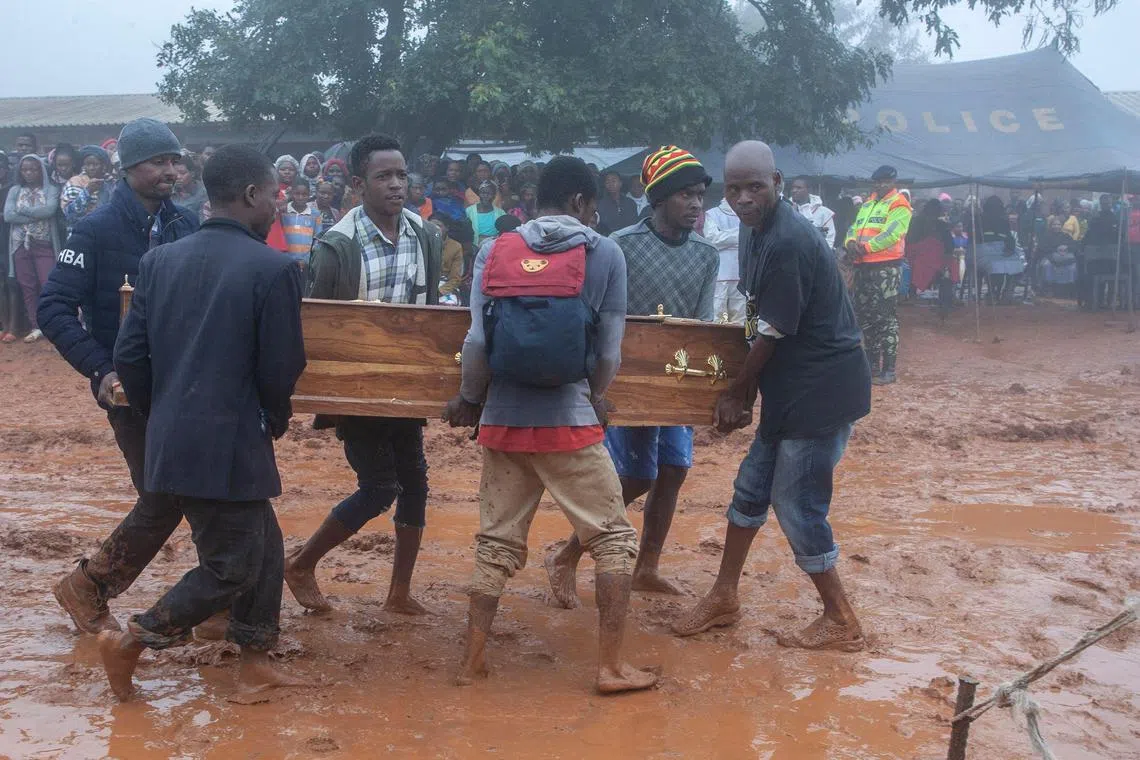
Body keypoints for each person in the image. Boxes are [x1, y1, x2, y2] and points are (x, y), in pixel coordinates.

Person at [100, 144, 308, 703]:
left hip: (173, 434)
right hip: (232, 440)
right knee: (232, 567)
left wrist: (158, 412)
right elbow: (281, 367)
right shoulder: (275, 268)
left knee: (264, 543)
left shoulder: (159, 261)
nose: (276, 203)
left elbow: (131, 356)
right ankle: (133, 641)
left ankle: (256, 658)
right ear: (249, 195)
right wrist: (277, 417)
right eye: (272, 194)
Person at [443, 155, 657, 694]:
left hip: (502, 423)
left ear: (538, 200)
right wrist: (596, 397)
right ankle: (610, 667)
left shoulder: (495, 248)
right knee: (612, 539)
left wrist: (471, 398)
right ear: (585, 204)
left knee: (495, 541)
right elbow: (609, 351)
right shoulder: (603, 251)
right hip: (569, 422)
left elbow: (476, 343)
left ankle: (472, 659)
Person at [672, 141, 871, 653]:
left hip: (821, 390)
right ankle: (724, 595)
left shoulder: (788, 241)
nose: (743, 199)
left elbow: (772, 332)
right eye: (734, 189)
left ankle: (841, 619)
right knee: (750, 488)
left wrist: (738, 392)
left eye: (754, 187)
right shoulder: (752, 227)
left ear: (777, 183)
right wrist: (748, 389)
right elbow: (761, 319)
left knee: (797, 503)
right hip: (790, 385)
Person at [38, 118, 199, 634]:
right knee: (165, 495)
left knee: (195, 489)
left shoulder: (187, 225)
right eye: (157, 162)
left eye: (175, 160)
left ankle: (217, 602)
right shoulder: (94, 229)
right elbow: (54, 308)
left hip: (185, 385)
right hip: (129, 390)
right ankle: (87, 587)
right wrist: (100, 368)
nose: (169, 171)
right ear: (127, 169)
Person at [546, 146, 718, 603]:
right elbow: (596, 315)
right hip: (626, 378)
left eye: (700, 195)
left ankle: (648, 566)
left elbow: (702, 328)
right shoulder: (620, 246)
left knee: (675, 470)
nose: (696, 204)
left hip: (676, 380)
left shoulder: (706, 255)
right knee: (638, 477)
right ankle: (566, 555)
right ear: (657, 198)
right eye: (685, 195)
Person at [285, 134, 442, 616]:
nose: (397, 185)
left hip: (406, 382)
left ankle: (399, 593)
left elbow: (430, 312)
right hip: (355, 386)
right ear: (357, 184)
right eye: (383, 176)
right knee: (379, 487)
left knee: (415, 484)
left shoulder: (425, 236)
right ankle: (301, 563)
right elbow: (320, 327)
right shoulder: (336, 246)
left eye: (401, 175)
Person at [844, 164, 911, 386]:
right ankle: (872, 365)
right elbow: (854, 227)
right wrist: (850, 242)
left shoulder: (899, 203)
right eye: (878, 181)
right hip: (863, 267)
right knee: (865, 317)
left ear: (893, 182)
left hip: (886, 268)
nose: (881, 185)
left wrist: (867, 247)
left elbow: (893, 233)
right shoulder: (868, 203)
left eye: (885, 181)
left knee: (886, 318)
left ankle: (889, 369)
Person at [5, 154, 61, 343]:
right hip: (20, 244)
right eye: (25, 169)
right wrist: (35, 215)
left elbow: (49, 210)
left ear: (41, 170)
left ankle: (53, 324)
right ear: (20, 172)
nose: (29, 173)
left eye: (34, 169)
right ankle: (36, 326)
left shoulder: (51, 190)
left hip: (44, 243)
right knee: (27, 286)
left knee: (48, 284)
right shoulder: (14, 190)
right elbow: (8, 216)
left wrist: (23, 211)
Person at [906, 199, 957, 313]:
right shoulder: (915, 222)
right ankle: (912, 294)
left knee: (950, 265)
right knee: (916, 265)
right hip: (918, 256)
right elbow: (910, 242)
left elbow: (949, 246)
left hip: (938, 258)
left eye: (936, 211)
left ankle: (947, 297)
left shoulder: (942, 225)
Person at [703, 194, 747, 323]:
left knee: (741, 319)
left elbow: (752, 238)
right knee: (717, 316)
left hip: (742, 276)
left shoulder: (749, 214)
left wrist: (725, 236)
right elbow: (712, 240)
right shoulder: (713, 214)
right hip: (720, 275)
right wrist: (741, 234)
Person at [60, 146, 114, 234]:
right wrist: (87, 192)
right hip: (81, 234)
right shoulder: (75, 182)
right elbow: (69, 214)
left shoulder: (110, 183)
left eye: (95, 164)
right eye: (88, 164)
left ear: (103, 165)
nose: (91, 168)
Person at [0, 151, 23, 342]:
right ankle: (3, 324)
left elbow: (9, 215)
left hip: (8, 239)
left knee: (11, 282)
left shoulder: (12, 189)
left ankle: (14, 327)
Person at [281, 178, 319, 268]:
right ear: (291, 193)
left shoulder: (315, 214)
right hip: (284, 261)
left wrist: (307, 260)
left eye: (304, 194)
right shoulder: (283, 211)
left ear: (309, 194)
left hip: (305, 263)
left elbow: (317, 239)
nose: (300, 197)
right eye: (297, 194)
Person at [790, 177, 836, 248]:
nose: (794, 190)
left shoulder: (824, 213)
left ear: (809, 190)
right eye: (793, 188)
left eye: (799, 188)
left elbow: (829, 239)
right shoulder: (786, 210)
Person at [432, 214, 464, 304]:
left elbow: (455, 278)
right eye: (431, 225)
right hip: (425, 285)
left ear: (447, 228)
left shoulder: (455, 246)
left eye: (439, 225)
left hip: (446, 285)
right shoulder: (422, 243)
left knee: (449, 305)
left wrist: (439, 292)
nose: (435, 228)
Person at [596, 171, 639, 236]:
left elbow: (635, 225)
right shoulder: (600, 205)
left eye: (613, 181)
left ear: (620, 183)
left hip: (632, 238)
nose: (611, 184)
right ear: (605, 185)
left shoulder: (630, 202)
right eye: (607, 182)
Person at [465, 181, 505, 247]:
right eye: (483, 193)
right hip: (474, 245)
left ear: (494, 196)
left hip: (493, 245)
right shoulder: (469, 211)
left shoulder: (501, 213)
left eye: (489, 194)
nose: (485, 196)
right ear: (479, 194)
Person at [172, 153, 208, 219]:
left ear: (192, 174)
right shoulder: (169, 193)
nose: (178, 177)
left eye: (182, 173)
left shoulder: (203, 194)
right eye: (175, 173)